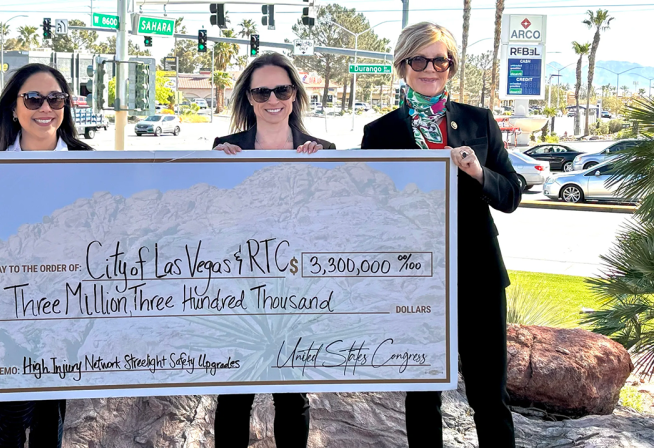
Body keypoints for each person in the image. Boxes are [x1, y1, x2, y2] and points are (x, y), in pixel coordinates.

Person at [361, 22, 520, 448]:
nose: (430, 69)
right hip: (414, 279)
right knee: (422, 395)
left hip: (478, 275)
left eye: (440, 60)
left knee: (489, 396)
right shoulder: (380, 133)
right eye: (419, 60)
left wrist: (478, 171)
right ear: (403, 65)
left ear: (451, 66)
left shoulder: (479, 121)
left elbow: (511, 194)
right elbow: (367, 208)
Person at [0, 63, 92, 448]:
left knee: (50, 413)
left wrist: (222, 162)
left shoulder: (88, 161)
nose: (45, 108)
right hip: (8, 306)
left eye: (55, 99)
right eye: (33, 99)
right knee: (10, 414)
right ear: (13, 106)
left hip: (66, 305)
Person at [211, 52, 334, 447]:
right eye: (261, 92)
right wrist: (210, 169)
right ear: (249, 99)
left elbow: (333, 225)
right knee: (234, 396)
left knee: (292, 396)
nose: (272, 99)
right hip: (240, 292)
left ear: (295, 94)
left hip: (296, 291)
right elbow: (210, 220)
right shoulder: (225, 148)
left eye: (281, 90)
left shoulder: (323, 151)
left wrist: (321, 175)